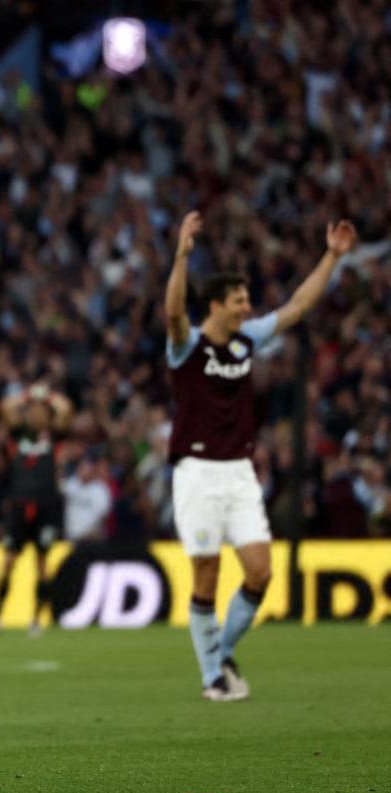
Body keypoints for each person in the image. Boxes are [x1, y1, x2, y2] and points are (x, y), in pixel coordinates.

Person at [165, 211, 356, 701]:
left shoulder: (247, 340)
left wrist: (332, 258)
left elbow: (297, 307)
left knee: (260, 571)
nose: (248, 308)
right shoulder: (188, 347)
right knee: (206, 574)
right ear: (215, 306)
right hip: (196, 472)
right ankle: (212, 678)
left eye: (247, 300)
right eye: (239, 301)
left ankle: (222, 653)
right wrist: (182, 256)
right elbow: (173, 314)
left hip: (238, 472)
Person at [0, 384, 71, 637]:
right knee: (8, 562)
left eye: (40, 411)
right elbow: (5, 407)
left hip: (46, 507)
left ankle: (36, 620)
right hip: (19, 507)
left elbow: (66, 408)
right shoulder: (17, 436)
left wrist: (47, 395)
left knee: (42, 564)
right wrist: (28, 395)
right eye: (32, 411)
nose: (36, 414)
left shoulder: (54, 437)